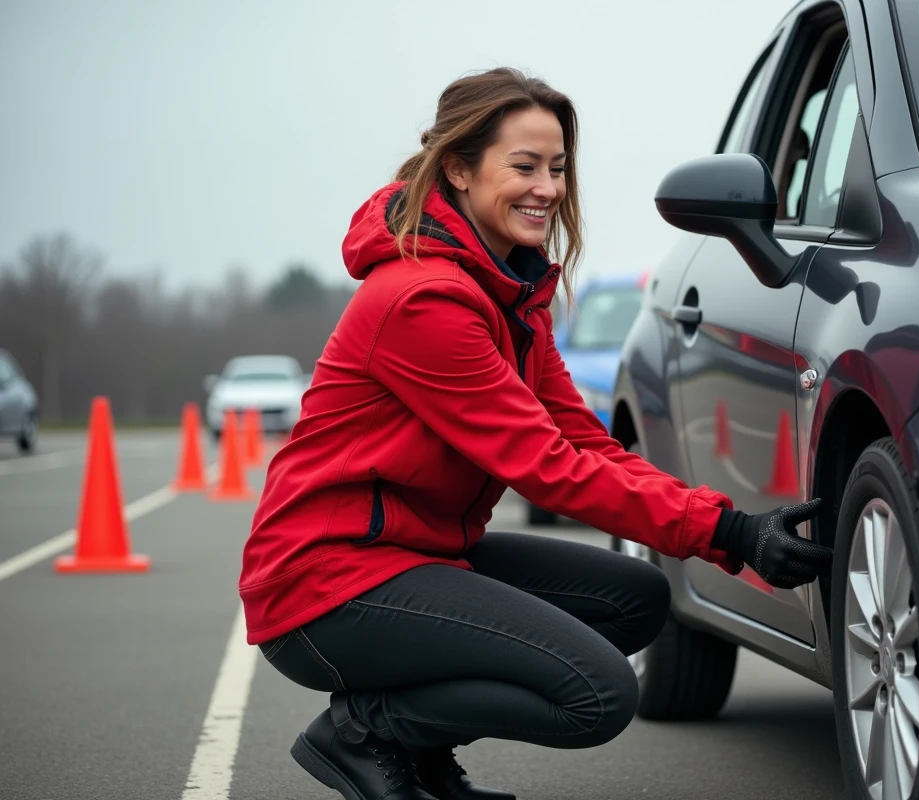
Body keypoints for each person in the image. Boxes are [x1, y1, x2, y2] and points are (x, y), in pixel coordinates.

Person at [239, 67, 832, 800]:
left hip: (415, 556)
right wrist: (731, 534)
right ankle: (368, 731)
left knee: (637, 599)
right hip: (325, 584)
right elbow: (546, 467)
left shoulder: (512, 297)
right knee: (598, 694)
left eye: (557, 168)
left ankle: (416, 760)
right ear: (457, 168)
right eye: (523, 167)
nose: (547, 189)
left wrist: (721, 524)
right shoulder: (423, 301)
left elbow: (588, 445)